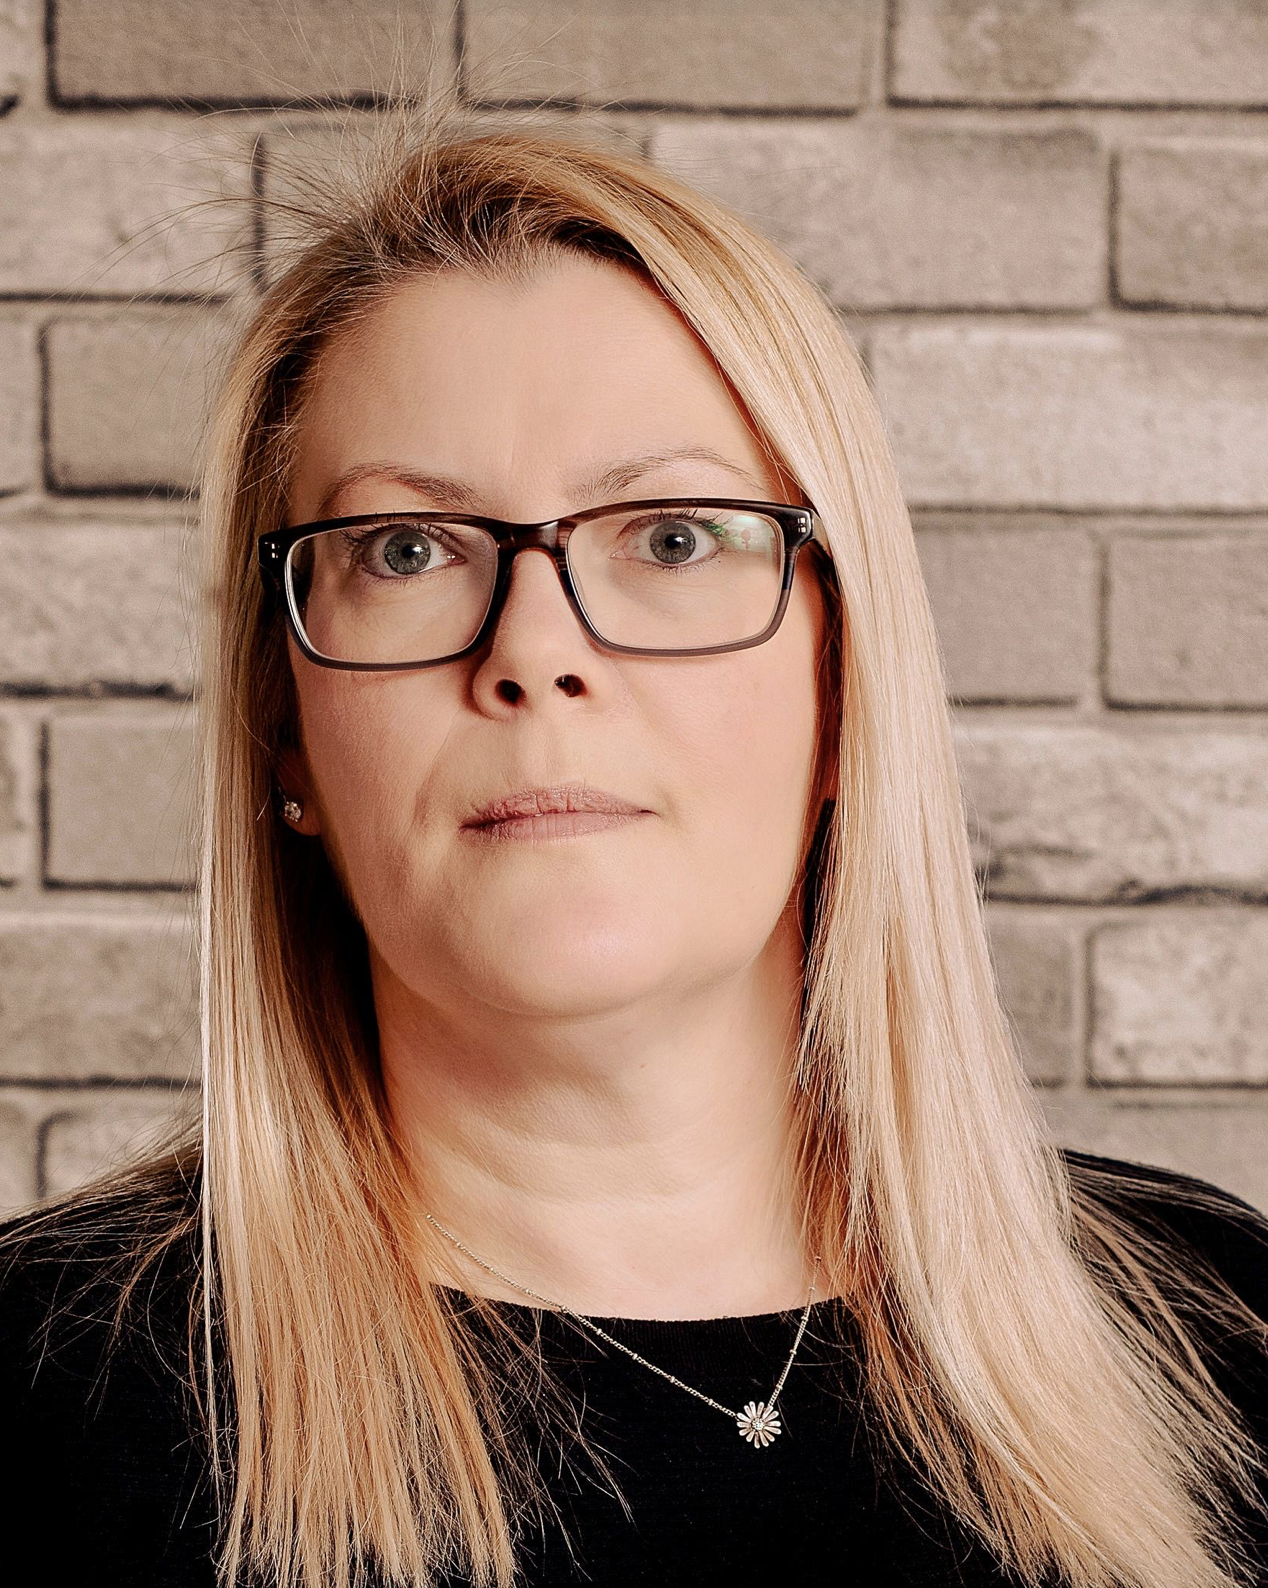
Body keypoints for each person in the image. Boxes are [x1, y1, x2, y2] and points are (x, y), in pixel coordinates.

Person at [1, 109, 1266, 1588]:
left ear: (847, 682)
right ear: (287, 735)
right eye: (407, 551)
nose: (535, 653)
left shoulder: (1221, 1330)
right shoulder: (44, 1404)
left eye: (669, 538)